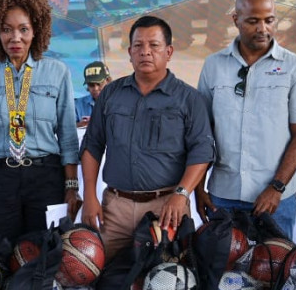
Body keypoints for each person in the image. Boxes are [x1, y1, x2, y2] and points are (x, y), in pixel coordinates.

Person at [80, 15, 215, 260]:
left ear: (169, 52)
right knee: (101, 270)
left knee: (168, 277)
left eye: (154, 45)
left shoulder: (189, 99)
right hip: (115, 209)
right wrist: (89, 195)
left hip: (167, 207)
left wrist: (181, 194)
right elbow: (92, 145)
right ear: (130, 52)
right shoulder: (110, 94)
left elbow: (202, 151)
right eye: (138, 46)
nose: (145, 52)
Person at [0, 0, 81, 243]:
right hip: (0, 178)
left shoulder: (57, 72)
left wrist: (71, 187)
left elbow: (68, 135)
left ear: (36, 30)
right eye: (6, 29)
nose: (15, 37)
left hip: (46, 177)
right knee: (1, 251)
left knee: (44, 252)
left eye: (23, 29)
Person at [196, 0, 296, 238]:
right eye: (253, 21)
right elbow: (201, 133)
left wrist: (276, 187)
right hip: (223, 196)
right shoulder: (213, 65)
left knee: (274, 263)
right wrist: (198, 188)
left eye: (269, 20)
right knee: (224, 264)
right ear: (236, 20)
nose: (262, 28)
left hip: (275, 200)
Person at [75, 60, 111, 127]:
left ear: (108, 81)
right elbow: (67, 128)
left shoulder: (120, 102)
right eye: (91, 85)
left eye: (99, 84)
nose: (95, 88)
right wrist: (81, 125)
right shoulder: (78, 104)